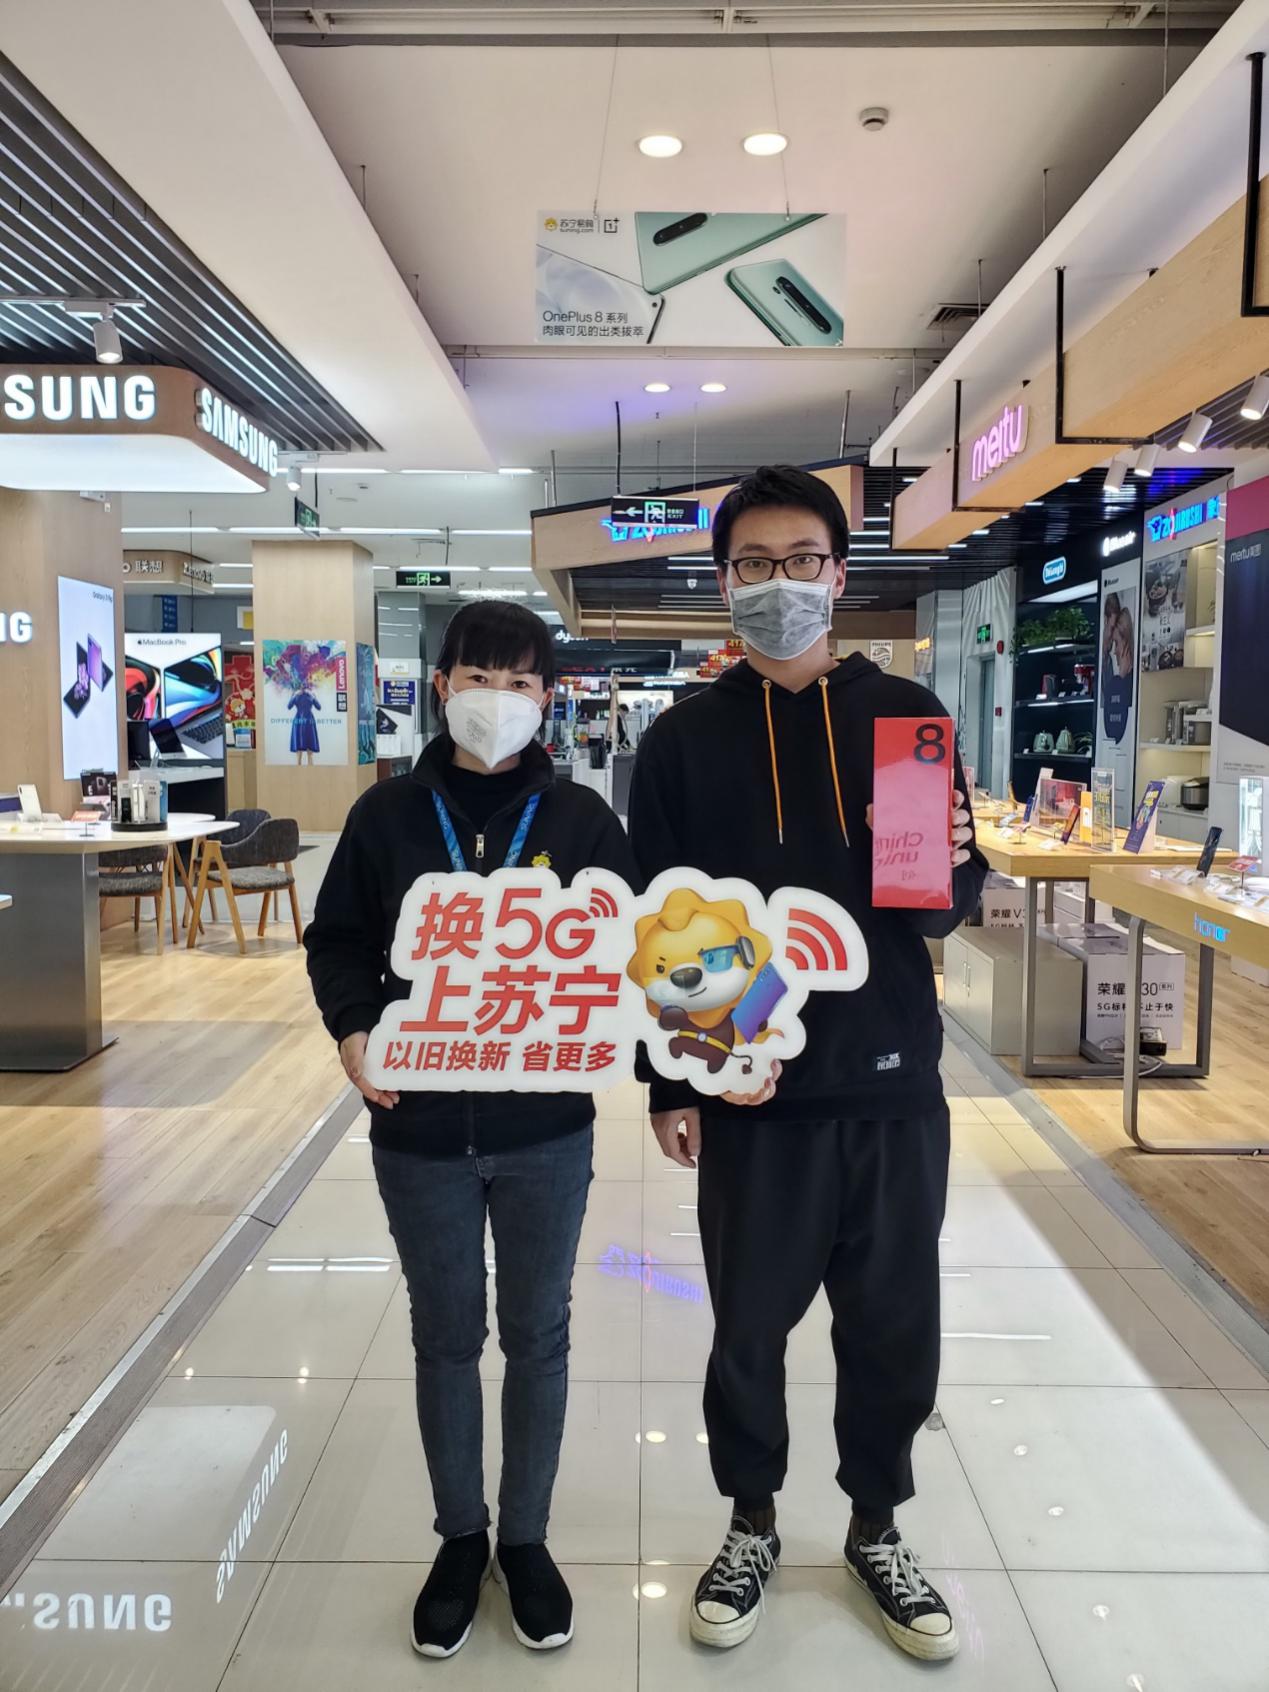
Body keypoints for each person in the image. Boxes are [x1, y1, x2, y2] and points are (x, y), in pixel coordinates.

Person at [628, 464, 986, 1663]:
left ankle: (877, 1524)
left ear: (838, 575)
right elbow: (658, 922)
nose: (775, 583)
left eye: (799, 561)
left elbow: (938, 913)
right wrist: (674, 1081)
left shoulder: (904, 718)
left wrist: (956, 859)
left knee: (893, 1323)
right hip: (750, 1092)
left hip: (890, 1084)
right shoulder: (682, 740)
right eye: (752, 565)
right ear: (722, 581)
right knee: (747, 1327)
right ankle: (752, 1519)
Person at [305, 601, 636, 1660]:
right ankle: (461, 1537)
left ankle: (525, 1538)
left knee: (537, 1334)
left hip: (547, 1129)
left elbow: (631, 958)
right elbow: (338, 939)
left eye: (521, 680)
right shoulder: (387, 815)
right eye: (479, 677)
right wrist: (354, 1027)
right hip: (419, 1128)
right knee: (445, 1337)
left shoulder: (582, 819)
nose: (499, 698)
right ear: (442, 685)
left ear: (549, 697)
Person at [288, 683, 321, 766]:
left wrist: (313, 696)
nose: (303, 685)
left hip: (309, 722)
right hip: (298, 721)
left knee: (310, 752)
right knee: (298, 753)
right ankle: (298, 772)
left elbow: (319, 707)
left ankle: (311, 772)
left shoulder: (311, 694)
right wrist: (295, 695)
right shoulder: (295, 694)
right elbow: (289, 706)